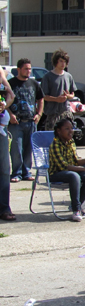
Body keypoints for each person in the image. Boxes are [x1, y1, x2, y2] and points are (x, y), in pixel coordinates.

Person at [49, 118, 85, 222]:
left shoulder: (71, 142)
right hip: (56, 173)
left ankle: (77, 205)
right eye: (67, 129)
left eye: (71, 128)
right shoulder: (55, 144)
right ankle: (76, 209)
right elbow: (64, 166)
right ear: (59, 131)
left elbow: (76, 161)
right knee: (74, 176)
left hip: (71, 171)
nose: (70, 131)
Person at [7, 58, 44, 183]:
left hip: (31, 122)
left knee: (29, 149)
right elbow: (3, 101)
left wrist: (39, 114)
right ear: (18, 70)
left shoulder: (34, 84)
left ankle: (26, 172)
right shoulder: (11, 83)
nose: (29, 71)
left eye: (29, 69)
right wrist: (10, 114)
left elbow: (41, 99)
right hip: (16, 122)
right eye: (26, 69)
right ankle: (16, 173)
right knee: (16, 149)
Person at [41, 49, 78, 131]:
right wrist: (56, 99)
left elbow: (72, 94)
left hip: (66, 113)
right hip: (52, 114)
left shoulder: (68, 76)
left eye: (65, 61)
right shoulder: (48, 77)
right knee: (52, 139)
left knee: (67, 139)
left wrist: (68, 96)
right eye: (61, 61)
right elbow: (44, 96)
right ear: (55, 62)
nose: (63, 64)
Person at [0, 69, 17, 221]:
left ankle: (4, 208)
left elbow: (11, 95)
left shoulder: (1, 72)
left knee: (5, 169)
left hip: (1, 130)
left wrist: (4, 105)